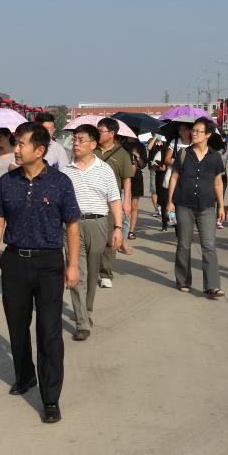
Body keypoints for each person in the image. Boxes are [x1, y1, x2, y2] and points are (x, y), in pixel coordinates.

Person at [0, 122, 80, 424]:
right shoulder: (7, 181)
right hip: (14, 261)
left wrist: (72, 264)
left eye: (22, 144)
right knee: (17, 325)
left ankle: (50, 398)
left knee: (49, 332)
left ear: (39, 150)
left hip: (49, 263)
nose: (17, 148)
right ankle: (25, 376)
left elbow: (71, 225)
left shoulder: (60, 182)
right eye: (16, 143)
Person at [63, 124, 122, 341]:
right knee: (77, 271)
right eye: (74, 140)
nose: (76, 143)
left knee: (92, 271)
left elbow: (114, 199)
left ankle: (87, 309)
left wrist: (118, 228)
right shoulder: (65, 170)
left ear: (93, 144)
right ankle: (82, 322)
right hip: (72, 226)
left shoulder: (104, 169)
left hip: (98, 223)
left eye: (81, 140)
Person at [165, 117, 226, 298]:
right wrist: (170, 202)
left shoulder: (215, 156)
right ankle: (183, 280)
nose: (194, 133)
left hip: (207, 207)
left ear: (208, 134)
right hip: (184, 205)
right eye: (193, 130)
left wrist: (221, 206)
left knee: (209, 245)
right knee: (184, 244)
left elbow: (218, 183)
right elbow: (174, 178)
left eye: (198, 131)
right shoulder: (184, 154)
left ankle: (212, 286)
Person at [96, 117, 135, 286]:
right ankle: (90, 270)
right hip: (91, 199)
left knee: (109, 239)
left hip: (111, 201)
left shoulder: (122, 154)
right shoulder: (91, 150)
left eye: (101, 131)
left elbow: (127, 179)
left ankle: (105, 273)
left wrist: (126, 201)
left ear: (111, 134)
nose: (97, 133)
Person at [127, 140, 147, 239]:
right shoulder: (122, 144)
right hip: (124, 176)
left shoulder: (141, 146)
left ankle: (131, 231)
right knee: (122, 205)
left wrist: (137, 155)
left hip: (136, 177)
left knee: (134, 206)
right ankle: (122, 228)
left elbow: (143, 165)